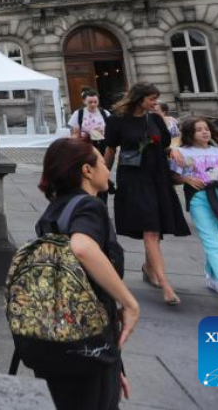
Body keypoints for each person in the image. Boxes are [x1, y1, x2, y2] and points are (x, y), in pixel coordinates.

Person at [30, 138, 138, 410]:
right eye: (102, 162)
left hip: (56, 338)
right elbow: (82, 248)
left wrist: (115, 366)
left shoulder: (53, 211)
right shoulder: (89, 206)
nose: (106, 168)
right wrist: (130, 303)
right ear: (86, 171)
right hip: (88, 340)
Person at [103, 82, 190, 306]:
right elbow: (111, 150)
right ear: (139, 98)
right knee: (150, 229)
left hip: (158, 177)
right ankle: (166, 285)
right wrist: (103, 176)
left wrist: (174, 152)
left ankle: (149, 268)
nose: (155, 103)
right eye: (151, 99)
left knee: (155, 226)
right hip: (133, 179)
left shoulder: (155, 119)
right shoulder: (116, 121)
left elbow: (164, 145)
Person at [170, 117, 218, 312]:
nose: (204, 132)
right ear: (190, 133)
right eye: (199, 130)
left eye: (206, 129)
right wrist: (185, 178)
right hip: (199, 200)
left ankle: (212, 278)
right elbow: (172, 176)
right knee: (212, 241)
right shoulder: (181, 152)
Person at [69, 89, 110, 154]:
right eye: (90, 102)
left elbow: (111, 129)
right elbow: (75, 133)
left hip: (103, 145)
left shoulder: (105, 113)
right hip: (86, 146)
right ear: (84, 101)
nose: (93, 104)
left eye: (95, 102)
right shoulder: (78, 114)